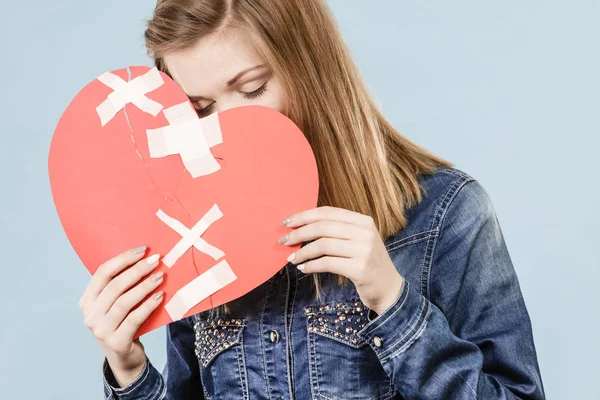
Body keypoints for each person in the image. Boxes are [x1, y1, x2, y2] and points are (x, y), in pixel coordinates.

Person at [79, 1, 546, 398]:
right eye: (200, 109)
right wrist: (128, 371)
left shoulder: (447, 212)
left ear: (310, 70)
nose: (228, 128)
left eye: (253, 88)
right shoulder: (195, 238)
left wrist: (394, 303)